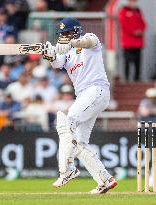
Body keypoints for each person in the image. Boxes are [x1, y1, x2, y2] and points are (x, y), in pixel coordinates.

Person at [42, 17, 117, 194]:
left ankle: (67, 170)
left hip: (97, 89)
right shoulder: (65, 53)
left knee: (69, 121)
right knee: (80, 142)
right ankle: (104, 179)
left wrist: (71, 43)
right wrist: (49, 54)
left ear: (75, 31)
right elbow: (57, 63)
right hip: (84, 96)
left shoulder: (90, 39)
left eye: (67, 33)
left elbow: (89, 42)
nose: (65, 37)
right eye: (62, 35)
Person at [118, 0, 146, 81]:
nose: (133, 4)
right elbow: (124, 24)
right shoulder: (124, 11)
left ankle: (137, 79)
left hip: (138, 43)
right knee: (127, 62)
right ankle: (126, 79)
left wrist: (141, 30)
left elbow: (143, 23)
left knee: (138, 62)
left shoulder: (138, 11)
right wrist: (133, 31)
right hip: (128, 43)